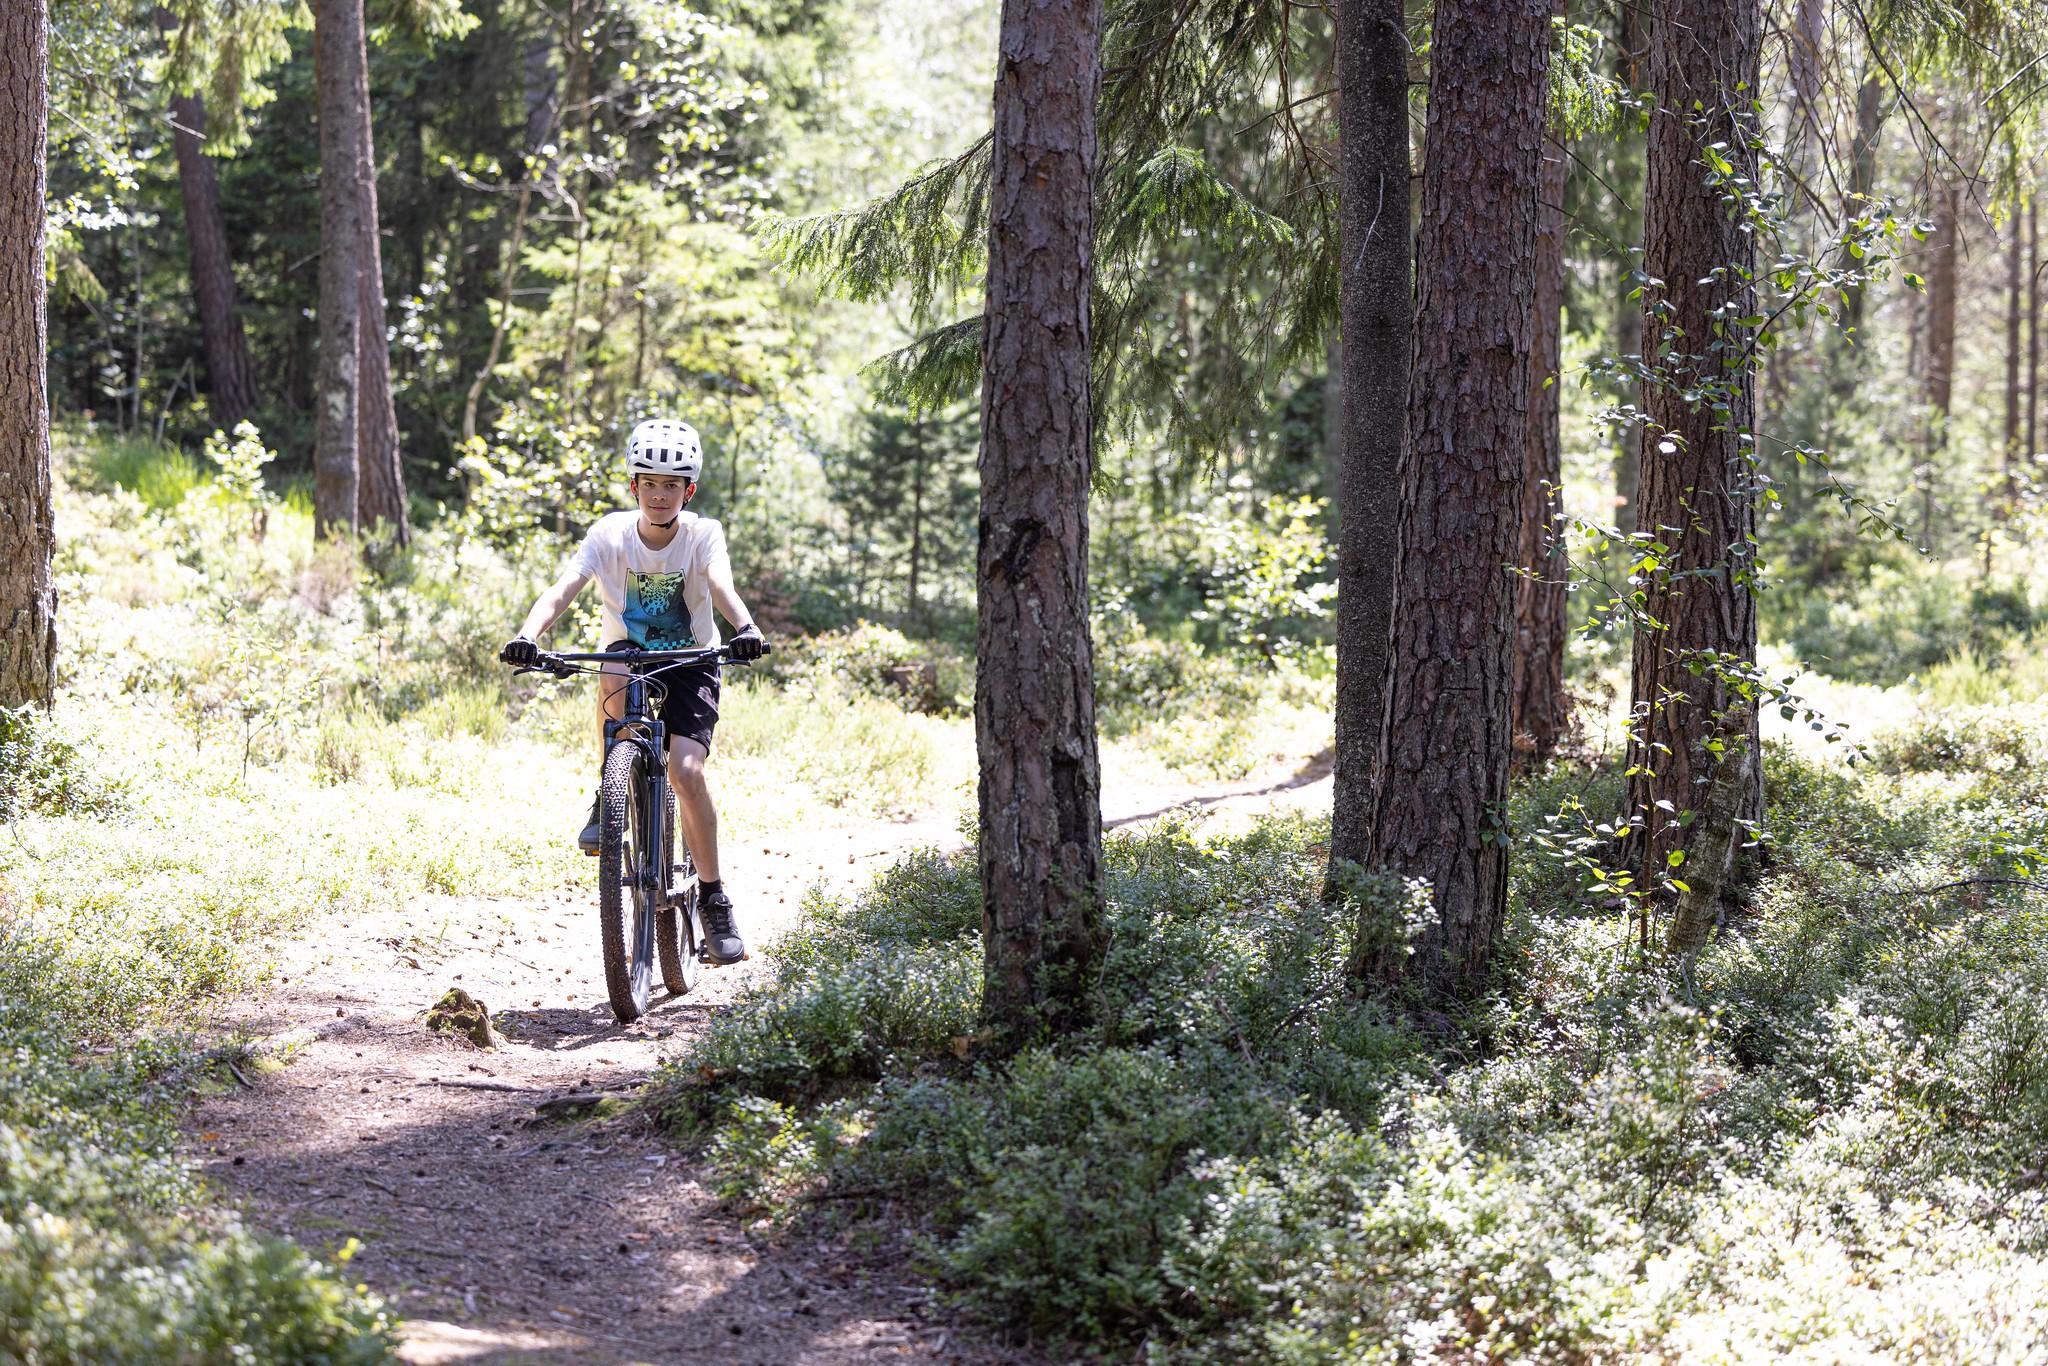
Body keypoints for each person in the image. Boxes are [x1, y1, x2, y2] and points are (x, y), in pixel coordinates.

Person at [500, 418, 766, 966]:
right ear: (634, 487)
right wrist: (529, 635)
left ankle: (714, 899)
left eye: (672, 485)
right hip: (631, 657)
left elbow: (720, 583)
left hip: (692, 660)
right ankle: (611, 790)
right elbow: (565, 587)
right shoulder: (609, 535)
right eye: (650, 483)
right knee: (615, 666)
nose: (659, 494)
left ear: (688, 491)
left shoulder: (702, 535)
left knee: (686, 772)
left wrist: (745, 628)